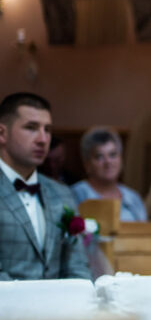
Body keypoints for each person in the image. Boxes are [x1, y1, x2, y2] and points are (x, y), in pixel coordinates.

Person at [0, 92, 90, 280]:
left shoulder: (61, 192)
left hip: (59, 299)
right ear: (2, 133)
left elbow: (77, 266)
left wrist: (78, 294)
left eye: (47, 129)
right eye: (31, 128)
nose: (43, 139)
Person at [71, 127, 147, 222]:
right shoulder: (76, 195)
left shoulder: (133, 198)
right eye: (99, 157)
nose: (108, 162)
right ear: (87, 164)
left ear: (121, 159)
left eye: (112, 155)